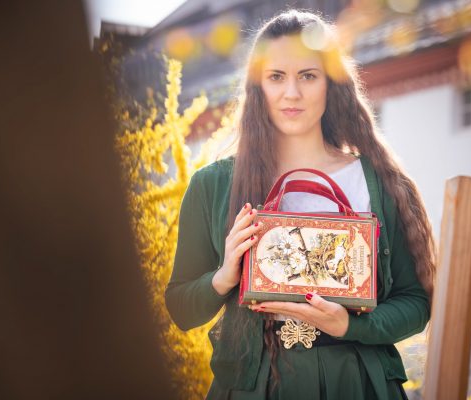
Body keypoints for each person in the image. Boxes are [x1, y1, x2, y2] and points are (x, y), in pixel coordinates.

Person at [165, 9, 435, 400]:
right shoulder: (212, 185)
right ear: (259, 86)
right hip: (254, 386)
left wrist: (351, 326)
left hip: (357, 382)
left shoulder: (381, 183)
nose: (292, 93)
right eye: (276, 77)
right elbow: (180, 308)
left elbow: (415, 302)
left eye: (308, 76)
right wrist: (224, 276)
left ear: (331, 84)